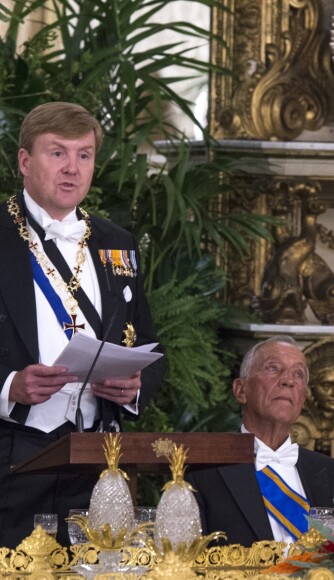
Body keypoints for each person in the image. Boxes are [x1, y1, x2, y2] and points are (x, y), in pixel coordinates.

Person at [0, 102, 164, 548]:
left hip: (97, 464)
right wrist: (9, 386)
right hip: (11, 459)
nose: (72, 168)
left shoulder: (118, 242)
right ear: (24, 161)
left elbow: (148, 344)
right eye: (57, 153)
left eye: (84, 155)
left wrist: (133, 389)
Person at [188, 335, 334, 547]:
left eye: (298, 374)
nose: (288, 380)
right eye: (273, 368)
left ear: (303, 399)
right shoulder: (203, 473)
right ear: (241, 390)